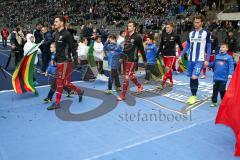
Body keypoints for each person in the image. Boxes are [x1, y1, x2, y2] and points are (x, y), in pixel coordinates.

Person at [47, 16, 84, 110]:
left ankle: (57, 103)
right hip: (59, 61)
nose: (54, 23)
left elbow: (73, 48)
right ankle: (79, 91)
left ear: (62, 23)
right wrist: (54, 59)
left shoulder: (67, 34)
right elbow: (58, 50)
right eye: (54, 21)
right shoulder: (55, 34)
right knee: (65, 83)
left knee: (60, 82)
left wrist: (76, 62)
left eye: (56, 21)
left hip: (65, 61)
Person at [180, 15, 212, 105]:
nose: (196, 24)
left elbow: (209, 47)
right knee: (191, 77)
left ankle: (194, 96)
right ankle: (192, 95)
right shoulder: (191, 33)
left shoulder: (206, 33)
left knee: (194, 77)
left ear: (202, 23)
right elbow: (187, 46)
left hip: (200, 60)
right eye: (195, 22)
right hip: (191, 60)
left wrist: (207, 59)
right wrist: (181, 55)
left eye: (198, 22)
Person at [117, 21, 147, 101]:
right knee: (131, 76)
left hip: (133, 60)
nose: (128, 27)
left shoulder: (137, 37)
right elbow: (125, 48)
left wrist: (144, 59)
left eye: (130, 26)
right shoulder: (126, 36)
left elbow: (141, 49)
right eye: (128, 26)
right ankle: (140, 86)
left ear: (134, 27)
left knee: (126, 77)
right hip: (126, 59)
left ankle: (123, 95)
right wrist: (121, 57)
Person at [158, 22, 183, 89]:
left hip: (172, 55)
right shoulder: (163, 35)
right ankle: (171, 81)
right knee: (168, 70)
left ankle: (162, 84)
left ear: (172, 28)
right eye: (166, 27)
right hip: (165, 55)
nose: (166, 28)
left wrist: (184, 53)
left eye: (168, 27)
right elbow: (161, 45)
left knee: (167, 69)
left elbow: (180, 45)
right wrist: (158, 53)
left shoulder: (176, 35)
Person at [208, 42, 234, 107]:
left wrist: (230, 74)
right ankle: (214, 101)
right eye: (221, 47)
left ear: (227, 49)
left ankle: (223, 100)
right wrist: (208, 64)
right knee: (215, 89)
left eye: (223, 47)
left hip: (223, 77)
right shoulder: (217, 56)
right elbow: (213, 63)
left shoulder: (229, 57)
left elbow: (231, 66)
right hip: (216, 76)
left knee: (222, 89)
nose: (221, 48)